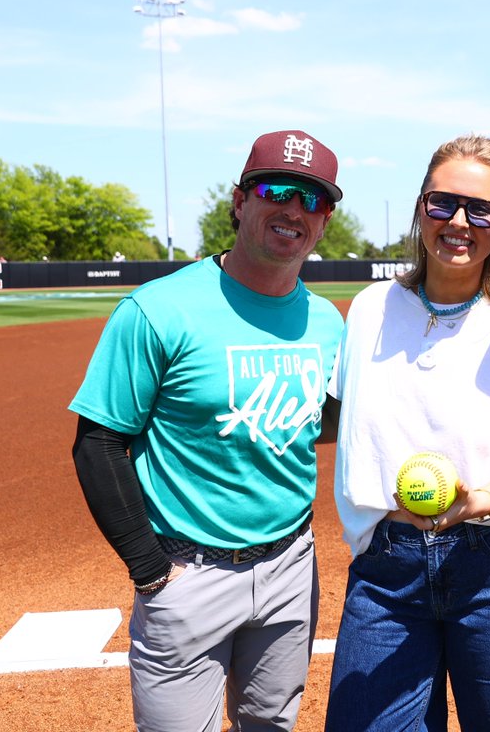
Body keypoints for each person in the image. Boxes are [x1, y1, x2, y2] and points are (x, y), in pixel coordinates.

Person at [69, 129, 346, 731]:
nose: (293, 209)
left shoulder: (326, 322)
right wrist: (149, 569)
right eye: (277, 189)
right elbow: (99, 443)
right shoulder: (158, 309)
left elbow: (312, 420)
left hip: (292, 569)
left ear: (324, 220)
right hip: (186, 574)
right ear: (241, 200)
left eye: (313, 199)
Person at [324, 134, 490, 731]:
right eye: (443, 203)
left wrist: (475, 501)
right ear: (420, 207)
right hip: (387, 571)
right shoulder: (370, 309)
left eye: (481, 209)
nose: (460, 222)